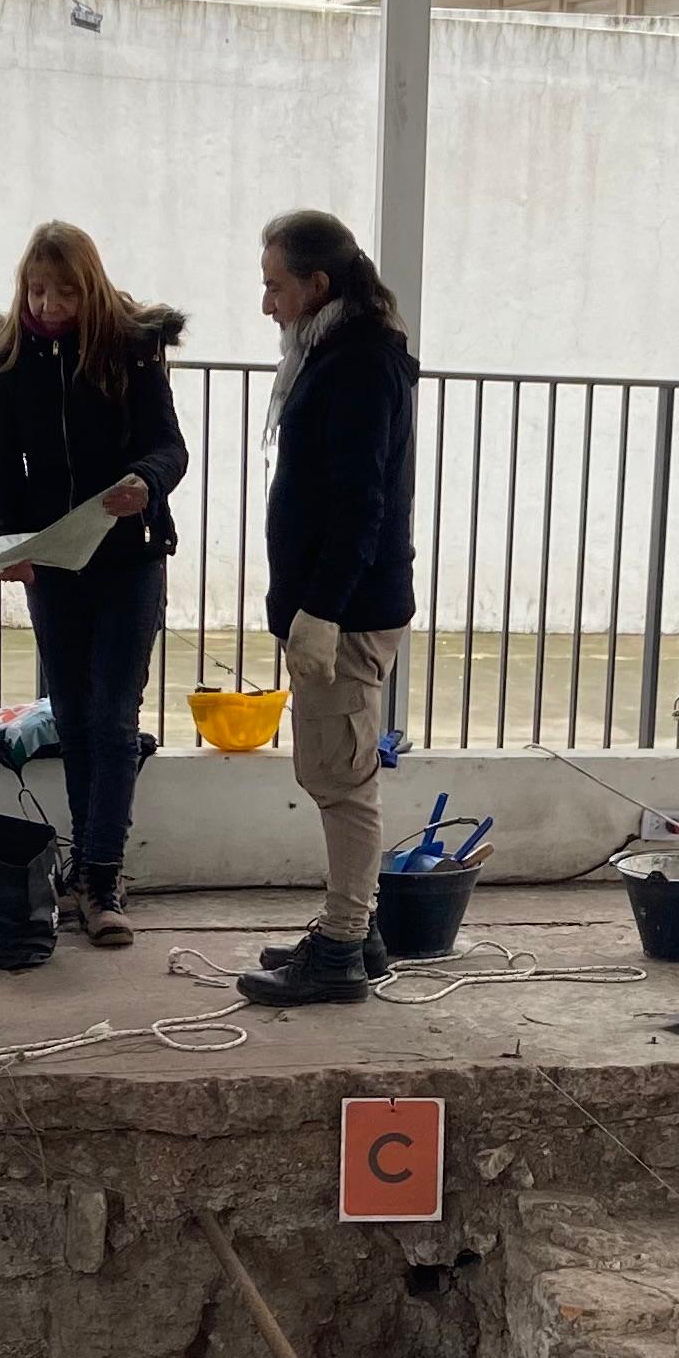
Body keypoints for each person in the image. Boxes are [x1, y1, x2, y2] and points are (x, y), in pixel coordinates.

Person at [0, 221, 189, 951]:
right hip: (54, 563)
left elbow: (170, 447)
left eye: (65, 289)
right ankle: (80, 872)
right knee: (71, 715)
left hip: (130, 558)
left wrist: (147, 481)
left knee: (111, 714)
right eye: (38, 288)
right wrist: (6, 543)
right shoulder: (9, 363)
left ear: (90, 286)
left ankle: (102, 876)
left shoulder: (130, 353)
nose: (50, 302)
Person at [238, 210, 420, 1009]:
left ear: (317, 285)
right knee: (334, 771)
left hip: (345, 611)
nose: (267, 302)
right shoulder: (339, 351)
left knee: (342, 782)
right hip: (337, 605)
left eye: (277, 285)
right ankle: (361, 929)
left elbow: (359, 504)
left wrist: (320, 610)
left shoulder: (355, 364)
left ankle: (343, 947)